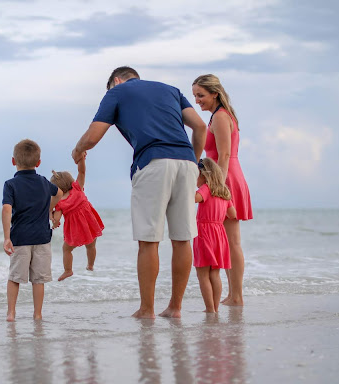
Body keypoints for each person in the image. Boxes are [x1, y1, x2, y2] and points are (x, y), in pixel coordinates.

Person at [72, 66, 207, 319]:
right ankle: (175, 309)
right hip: (186, 163)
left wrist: (77, 151)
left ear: (116, 80)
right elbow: (200, 127)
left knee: (149, 241)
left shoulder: (117, 91)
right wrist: (191, 161)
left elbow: (93, 136)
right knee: (183, 239)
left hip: (154, 162)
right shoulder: (171, 91)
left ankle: (147, 310)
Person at [192, 74, 252, 306]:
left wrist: (217, 186)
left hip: (225, 178)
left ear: (214, 93)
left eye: (201, 95)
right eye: (195, 95)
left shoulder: (220, 117)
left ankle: (236, 295)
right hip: (221, 176)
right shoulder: (215, 117)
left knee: (232, 240)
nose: (197, 100)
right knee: (227, 240)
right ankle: (233, 295)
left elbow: (224, 155)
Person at [2, 139, 63, 321]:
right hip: (42, 238)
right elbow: (59, 193)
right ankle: (37, 314)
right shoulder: (44, 182)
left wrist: (7, 238)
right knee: (39, 280)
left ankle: (11, 313)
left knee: (15, 277)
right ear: (38, 163)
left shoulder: (10, 185)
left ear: (14, 161)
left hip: (20, 238)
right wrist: (50, 212)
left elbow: (6, 209)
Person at [50, 154, 105, 281]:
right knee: (91, 245)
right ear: (70, 180)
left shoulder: (58, 201)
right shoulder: (77, 187)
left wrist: (53, 219)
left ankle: (68, 270)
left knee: (66, 249)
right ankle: (90, 265)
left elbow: (57, 218)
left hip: (74, 228)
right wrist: (81, 159)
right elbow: (82, 171)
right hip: (89, 222)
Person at [194, 158, 237, 313]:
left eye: (195, 175)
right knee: (215, 273)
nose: (194, 180)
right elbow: (233, 214)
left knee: (202, 274)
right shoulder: (224, 191)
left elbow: (194, 199)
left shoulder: (206, 188)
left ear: (204, 175)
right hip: (219, 234)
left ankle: (209, 308)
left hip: (204, 232)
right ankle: (216, 308)